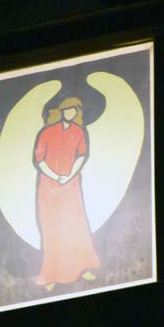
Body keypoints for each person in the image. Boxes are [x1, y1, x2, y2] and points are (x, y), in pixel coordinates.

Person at [33, 96, 100, 290]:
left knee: (77, 226)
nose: (70, 113)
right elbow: (39, 160)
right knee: (53, 230)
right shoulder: (47, 132)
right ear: (61, 110)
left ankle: (82, 267)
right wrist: (56, 176)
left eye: (74, 110)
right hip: (49, 188)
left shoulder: (78, 132)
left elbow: (81, 156)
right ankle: (51, 276)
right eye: (67, 109)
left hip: (71, 186)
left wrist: (70, 175)